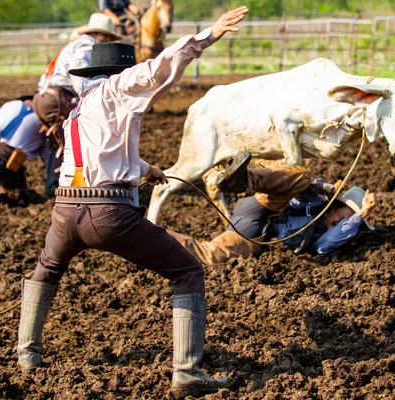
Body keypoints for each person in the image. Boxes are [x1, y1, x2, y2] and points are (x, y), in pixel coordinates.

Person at [16, 6, 249, 399]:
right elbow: (163, 65)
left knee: (46, 269)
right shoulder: (119, 88)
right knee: (188, 270)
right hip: (109, 213)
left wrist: (144, 167)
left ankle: (27, 354)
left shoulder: (78, 109)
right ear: (121, 73)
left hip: (65, 211)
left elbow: (92, 154)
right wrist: (210, 34)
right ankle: (187, 373)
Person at [168, 152, 377, 265]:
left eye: (345, 224)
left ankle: (152, 239)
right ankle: (245, 180)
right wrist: (326, 186)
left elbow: (332, 241)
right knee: (300, 177)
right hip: (261, 204)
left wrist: (361, 215)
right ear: (335, 206)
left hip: (256, 233)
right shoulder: (316, 200)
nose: (339, 224)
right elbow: (299, 180)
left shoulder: (322, 239)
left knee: (212, 255)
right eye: (342, 217)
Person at [33, 13, 121, 159]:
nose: (108, 41)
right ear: (97, 33)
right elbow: (79, 82)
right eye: (107, 36)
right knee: (74, 148)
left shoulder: (76, 44)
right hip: (58, 100)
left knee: (59, 147)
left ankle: (53, 181)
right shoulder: (86, 46)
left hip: (44, 97)